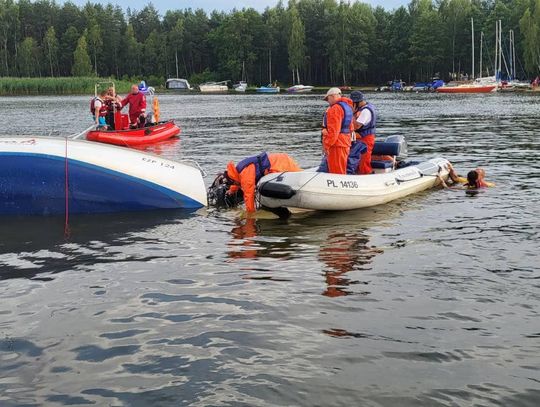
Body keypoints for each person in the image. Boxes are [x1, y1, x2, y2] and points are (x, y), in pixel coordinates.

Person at [224, 152, 302, 213]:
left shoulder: (245, 175)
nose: (235, 185)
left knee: (299, 177)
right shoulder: (237, 171)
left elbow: (249, 194)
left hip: (280, 162)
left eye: (233, 184)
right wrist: (231, 190)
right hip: (276, 159)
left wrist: (250, 212)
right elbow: (238, 182)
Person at [320, 87, 353, 174]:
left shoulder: (335, 109)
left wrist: (326, 145)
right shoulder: (347, 107)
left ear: (333, 96)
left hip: (337, 144)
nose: (328, 101)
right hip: (345, 142)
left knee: (336, 170)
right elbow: (351, 127)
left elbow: (334, 131)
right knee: (341, 167)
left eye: (328, 98)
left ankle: (338, 185)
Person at [350, 91, 376, 174]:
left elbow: (357, 126)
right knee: (356, 158)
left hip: (366, 138)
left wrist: (350, 116)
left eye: (352, 102)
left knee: (364, 160)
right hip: (359, 138)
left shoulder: (365, 111)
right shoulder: (363, 108)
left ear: (357, 102)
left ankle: (367, 174)